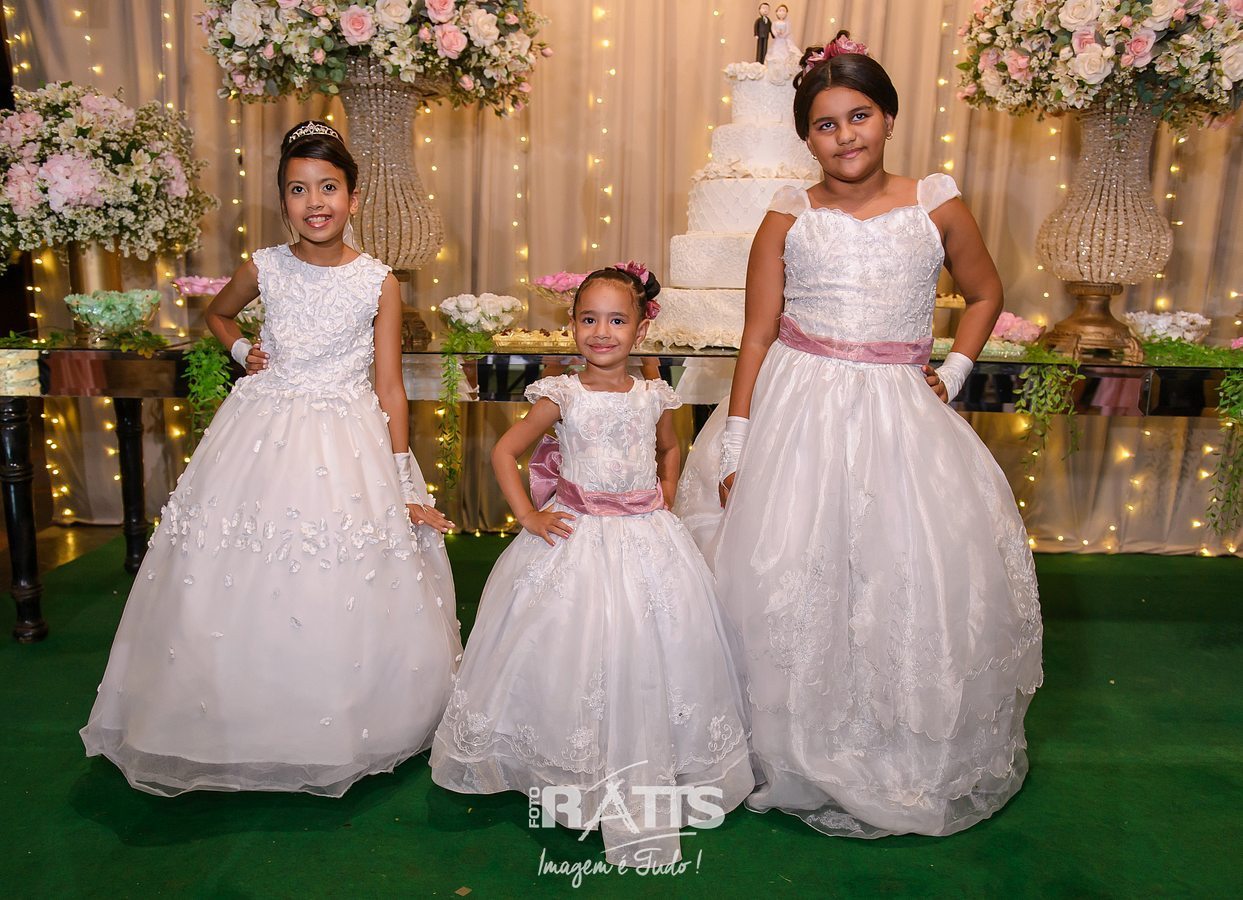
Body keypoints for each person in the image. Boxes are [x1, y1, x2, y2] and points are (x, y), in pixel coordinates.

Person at [712, 37, 1043, 837]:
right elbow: (755, 335)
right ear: (806, 138)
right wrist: (735, 442)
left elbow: (984, 291)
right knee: (798, 567)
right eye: (824, 125)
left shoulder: (934, 202)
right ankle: (797, 734)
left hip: (898, 411)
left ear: (888, 117)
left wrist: (954, 371)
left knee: (901, 568)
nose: (844, 136)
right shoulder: (787, 214)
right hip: (799, 408)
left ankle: (896, 733)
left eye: (858, 116)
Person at [79, 121, 463, 797]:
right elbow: (218, 315)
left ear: (353, 196)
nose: (315, 202)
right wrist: (239, 351)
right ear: (282, 200)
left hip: (348, 439)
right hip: (262, 429)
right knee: (237, 566)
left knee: (338, 573)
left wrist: (402, 476)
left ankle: (341, 715)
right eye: (298, 189)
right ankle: (233, 710)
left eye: (328, 187)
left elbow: (389, 386)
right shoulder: (265, 266)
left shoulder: (378, 281)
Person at [431, 264, 752, 865]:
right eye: (588, 319)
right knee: (571, 644)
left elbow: (670, 445)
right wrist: (529, 515)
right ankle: (562, 761)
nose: (601, 332)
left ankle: (653, 759)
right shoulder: (563, 394)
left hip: (647, 536)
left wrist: (666, 487)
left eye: (617, 320)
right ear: (572, 325)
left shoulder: (654, 394)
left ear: (640, 329)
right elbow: (505, 450)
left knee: (652, 642)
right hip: (576, 534)